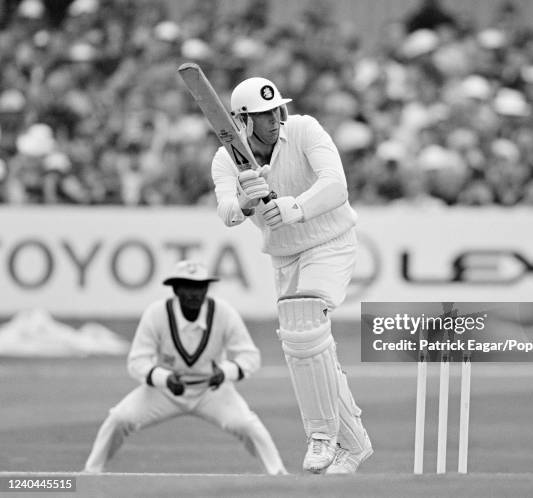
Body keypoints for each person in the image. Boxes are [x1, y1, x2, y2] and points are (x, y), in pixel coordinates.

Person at [211, 77, 372, 474]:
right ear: (242, 122)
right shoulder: (226, 158)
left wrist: (292, 208)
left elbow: (336, 186)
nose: (274, 119)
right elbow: (227, 211)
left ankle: (321, 435)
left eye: (276, 110)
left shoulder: (304, 129)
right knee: (306, 348)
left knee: (304, 318)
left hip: (331, 242)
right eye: (263, 115)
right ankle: (354, 445)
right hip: (284, 257)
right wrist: (247, 203)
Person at [83, 260, 287, 475]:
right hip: (166, 390)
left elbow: (250, 356)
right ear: (175, 289)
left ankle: (279, 475)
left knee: (248, 426)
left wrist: (225, 372)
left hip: (212, 390)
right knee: (118, 418)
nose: (193, 293)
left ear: (207, 289)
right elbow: (137, 362)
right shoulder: (157, 313)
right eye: (187, 286)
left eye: (199, 287)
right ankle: (91, 473)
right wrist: (164, 378)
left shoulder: (223, 313)